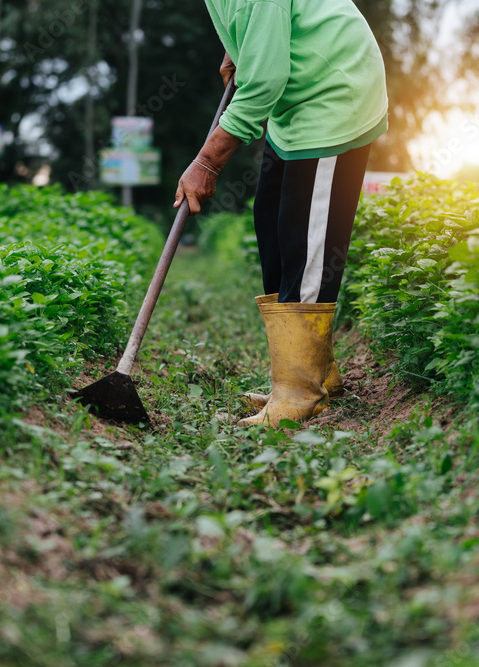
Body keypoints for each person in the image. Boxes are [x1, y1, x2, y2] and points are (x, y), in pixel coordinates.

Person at [175, 0, 389, 427]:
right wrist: (243, 46)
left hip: (334, 94)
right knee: (273, 223)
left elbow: (265, 83)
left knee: (305, 240)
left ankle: (298, 391)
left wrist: (207, 162)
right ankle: (318, 370)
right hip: (299, 97)